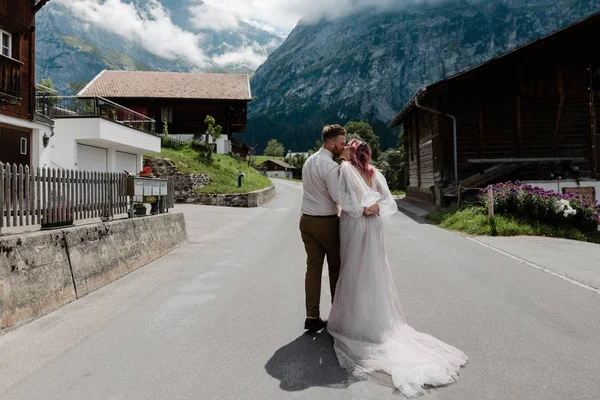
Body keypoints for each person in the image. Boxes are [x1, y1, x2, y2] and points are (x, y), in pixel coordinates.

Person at [328, 139, 468, 397]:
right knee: (374, 272)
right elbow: (388, 202)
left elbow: (344, 200)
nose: (346, 147)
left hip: (358, 224)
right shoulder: (375, 172)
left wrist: (363, 209)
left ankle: (356, 323)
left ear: (353, 151)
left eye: (349, 145)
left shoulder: (345, 169)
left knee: (355, 272)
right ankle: (378, 323)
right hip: (375, 226)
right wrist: (374, 207)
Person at [299, 124, 347, 331]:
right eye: (342, 143)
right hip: (326, 222)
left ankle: (312, 317)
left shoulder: (309, 160)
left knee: (313, 269)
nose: (343, 147)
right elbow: (339, 197)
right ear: (331, 143)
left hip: (306, 221)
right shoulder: (331, 166)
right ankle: (337, 316)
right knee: (336, 267)